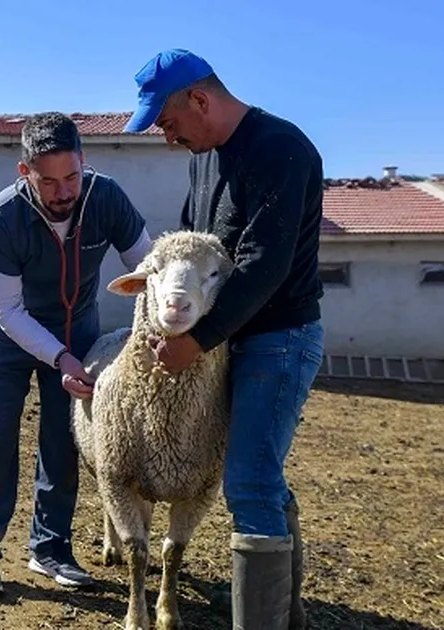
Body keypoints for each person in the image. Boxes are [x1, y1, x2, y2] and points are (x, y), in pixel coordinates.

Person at [121, 49, 326, 629]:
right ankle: (287, 616)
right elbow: (196, 244)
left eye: (166, 122)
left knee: (249, 480)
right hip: (233, 339)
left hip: (278, 338)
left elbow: (265, 262)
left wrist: (200, 339)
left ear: (200, 100)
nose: (168, 138)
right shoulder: (205, 158)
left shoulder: (281, 149)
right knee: (261, 473)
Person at [0, 111, 153, 594]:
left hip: (77, 328)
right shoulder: (3, 217)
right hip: (10, 334)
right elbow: (7, 309)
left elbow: (148, 270)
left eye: (73, 176)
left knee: (63, 438)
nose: (65, 191)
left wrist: (149, 330)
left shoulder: (106, 197)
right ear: (25, 173)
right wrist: (59, 358)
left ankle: (50, 548)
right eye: (50, 182)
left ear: (84, 163)